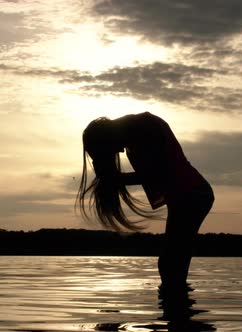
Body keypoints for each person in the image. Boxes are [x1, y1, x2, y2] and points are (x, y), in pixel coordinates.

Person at [76, 112, 214, 290]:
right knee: (172, 262)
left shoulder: (144, 127)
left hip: (191, 195)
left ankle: (178, 310)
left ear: (107, 137)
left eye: (109, 148)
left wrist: (117, 179)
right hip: (185, 195)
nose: (118, 151)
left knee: (171, 262)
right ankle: (179, 308)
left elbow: (157, 172)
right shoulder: (135, 132)